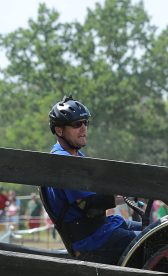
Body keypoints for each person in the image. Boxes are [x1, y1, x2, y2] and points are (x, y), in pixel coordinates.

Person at [43, 94, 143, 264]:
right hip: (91, 241)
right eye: (76, 124)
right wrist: (130, 193)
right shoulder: (65, 161)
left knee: (158, 229)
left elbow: (98, 199)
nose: (83, 128)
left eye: (85, 122)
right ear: (59, 130)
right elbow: (89, 204)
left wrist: (136, 195)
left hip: (102, 229)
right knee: (156, 239)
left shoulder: (74, 155)